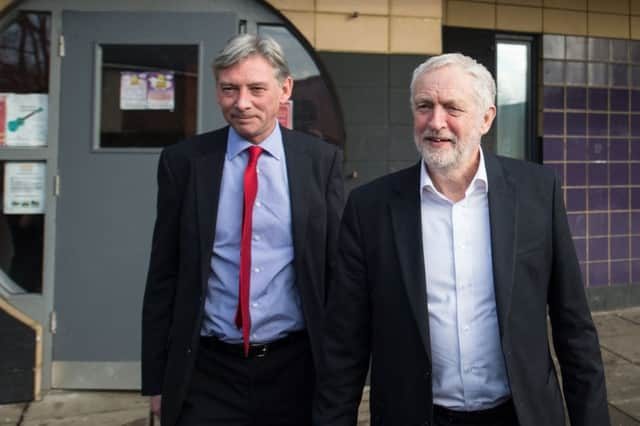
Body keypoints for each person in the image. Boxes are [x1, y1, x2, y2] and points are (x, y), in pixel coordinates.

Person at [313, 53, 610, 426]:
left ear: (486, 118)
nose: (436, 122)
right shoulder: (369, 208)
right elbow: (345, 344)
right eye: (424, 106)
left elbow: (574, 328)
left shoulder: (537, 193)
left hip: (521, 414)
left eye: (452, 107)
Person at [141, 34, 343, 426]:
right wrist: (157, 381)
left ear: (285, 89)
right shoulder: (184, 163)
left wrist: (341, 378)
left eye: (256, 88)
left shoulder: (320, 162)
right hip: (206, 371)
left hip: (296, 369)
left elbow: (338, 275)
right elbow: (163, 276)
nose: (242, 102)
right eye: (229, 89)